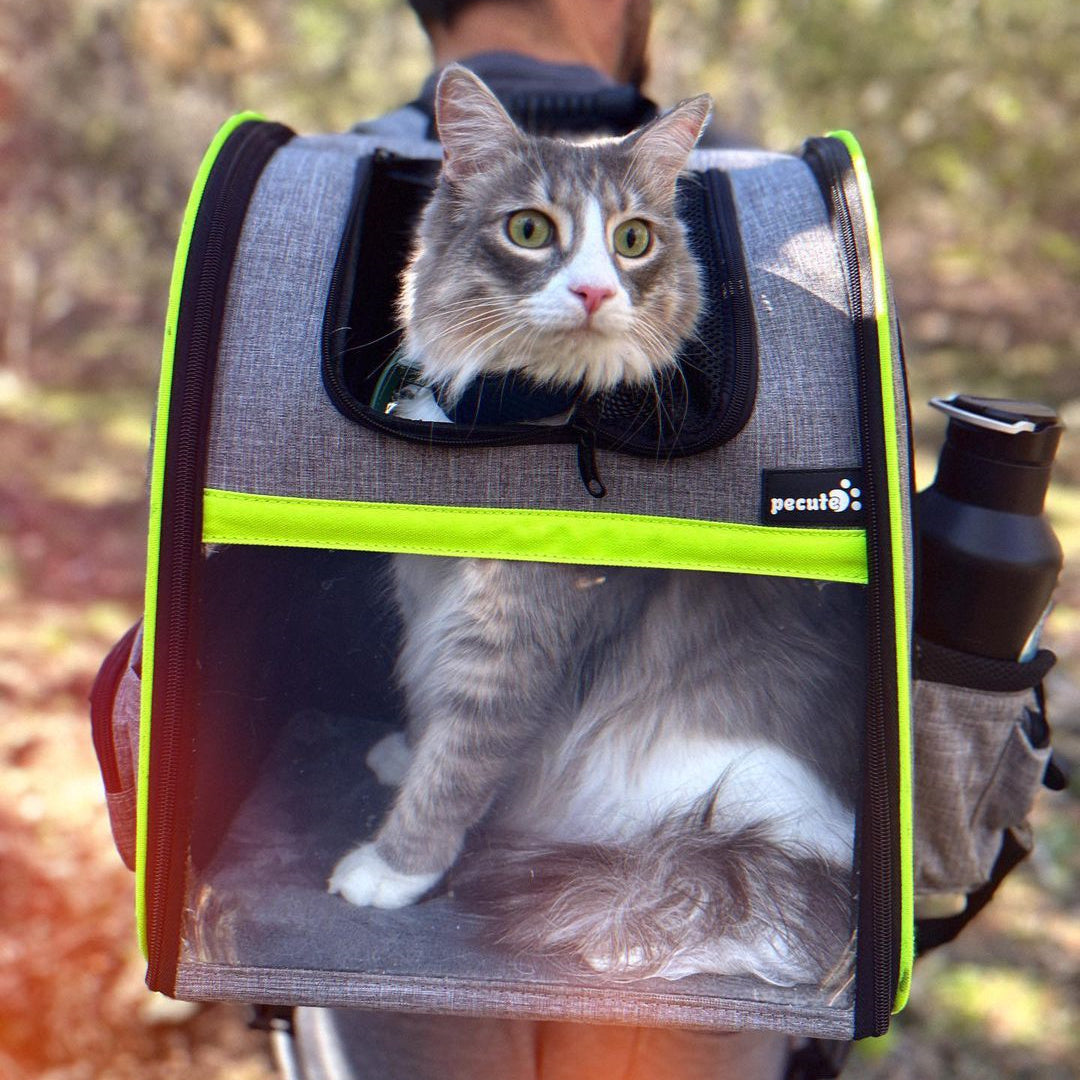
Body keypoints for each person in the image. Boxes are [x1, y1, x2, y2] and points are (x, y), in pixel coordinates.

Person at [288, 3, 848, 1078]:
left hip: (704, 793)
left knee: (500, 656)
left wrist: (411, 850)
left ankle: (441, 826)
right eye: (538, 229)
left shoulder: (328, 162)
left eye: (633, 241)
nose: (597, 282)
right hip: (611, 814)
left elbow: (505, 673)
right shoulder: (773, 198)